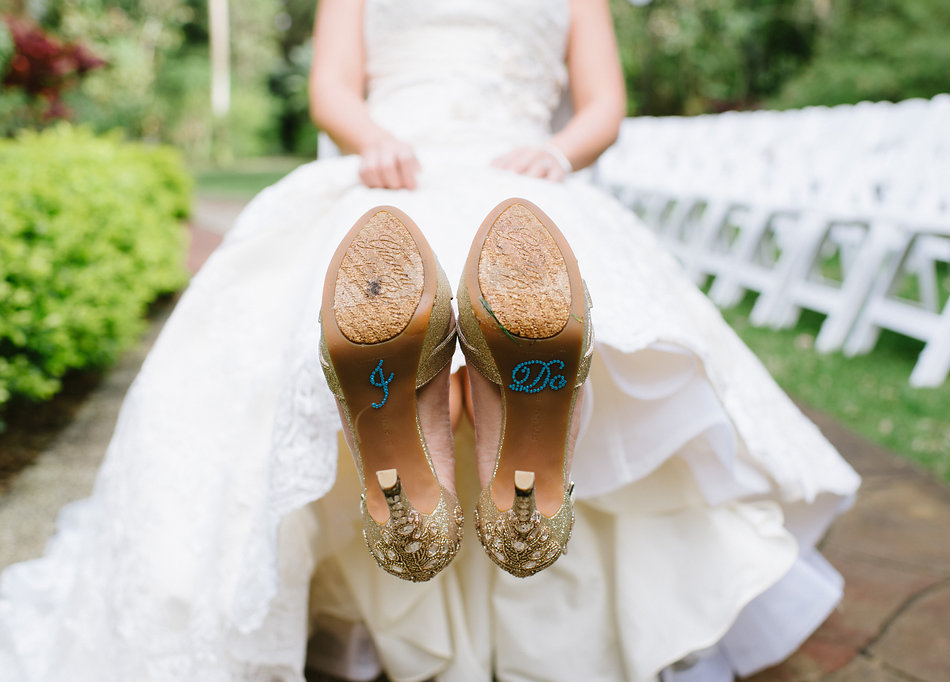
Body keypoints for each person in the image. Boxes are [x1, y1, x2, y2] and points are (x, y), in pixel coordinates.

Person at [0, 0, 861, 680]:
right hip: (454, 169)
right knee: (542, 284)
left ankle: (413, 417)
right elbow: (598, 103)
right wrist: (516, 153)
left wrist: (541, 154)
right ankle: (512, 433)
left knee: (382, 288)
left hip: (452, 175)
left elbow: (342, 84)